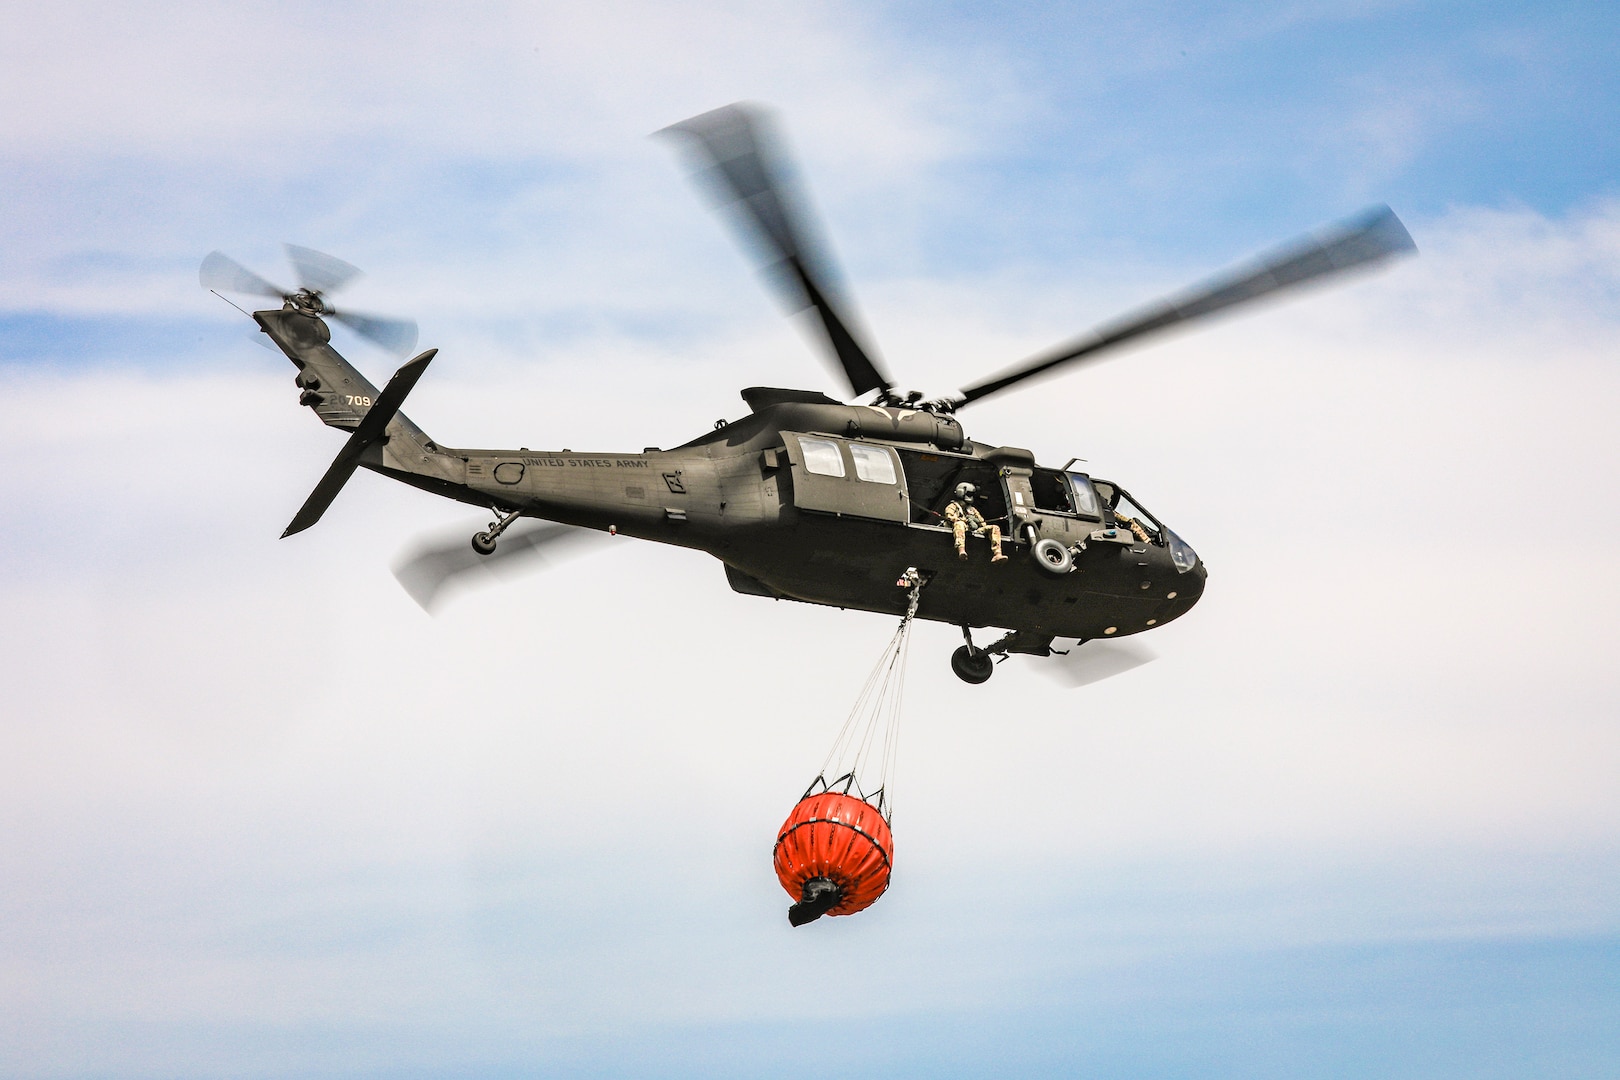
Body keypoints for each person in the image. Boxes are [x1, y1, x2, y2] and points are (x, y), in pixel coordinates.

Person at [943, 482, 1006, 563]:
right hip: (958, 528)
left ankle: (997, 554)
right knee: (959, 524)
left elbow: (983, 523)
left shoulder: (972, 509)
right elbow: (950, 517)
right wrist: (966, 521)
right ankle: (961, 550)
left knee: (995, 527)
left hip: (971, 530)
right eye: (969, 494)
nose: (971, 496)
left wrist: (975, 520)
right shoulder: (953, 506)